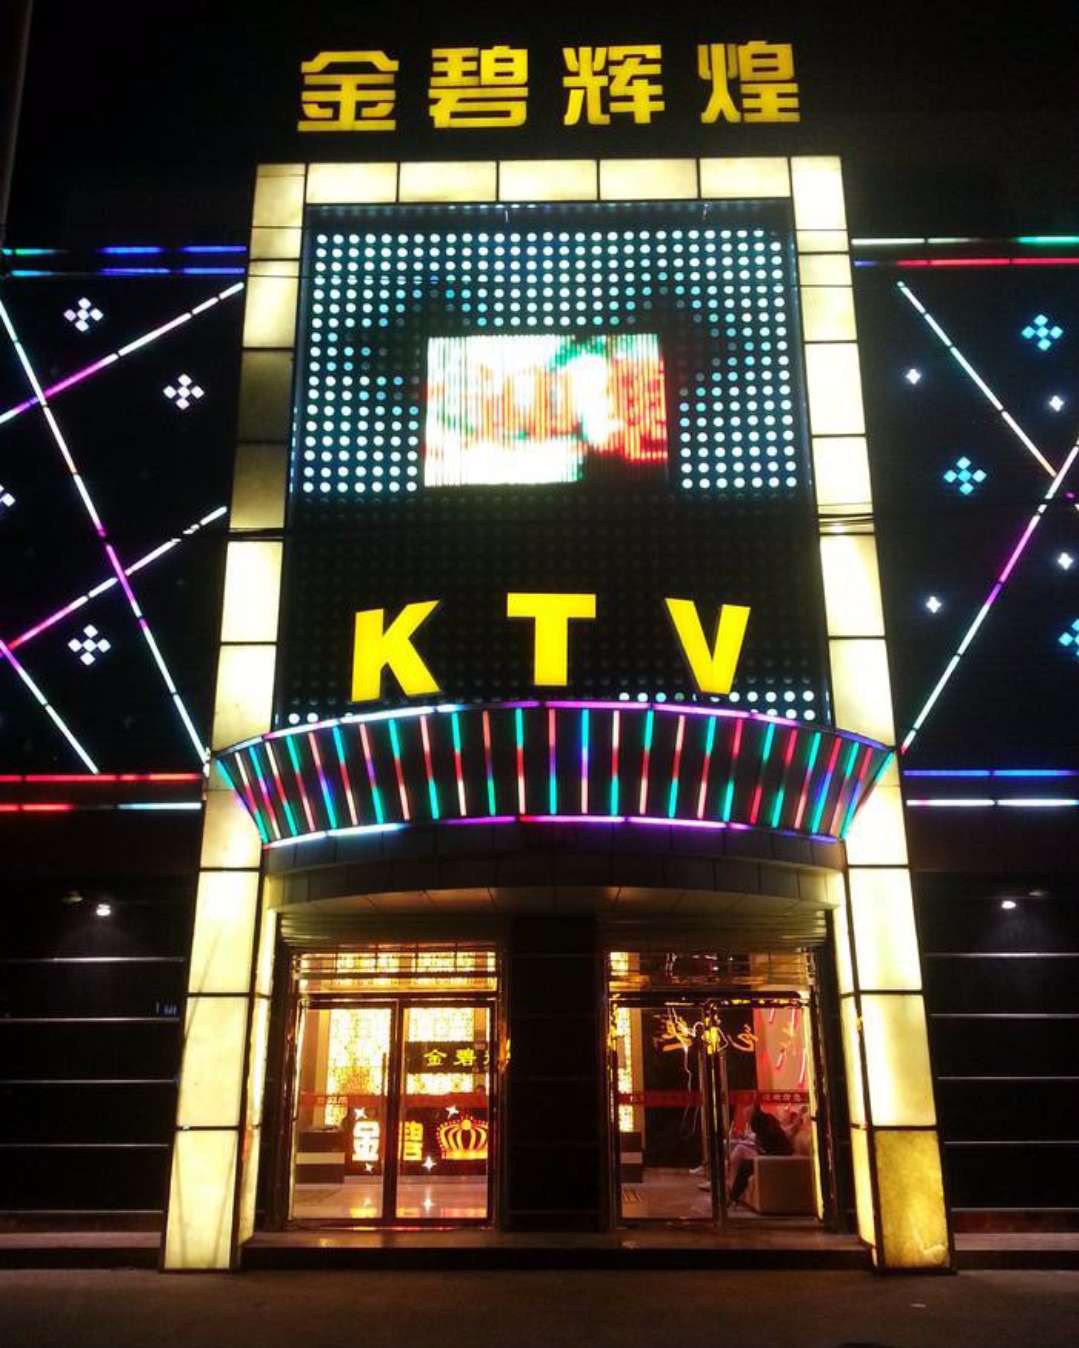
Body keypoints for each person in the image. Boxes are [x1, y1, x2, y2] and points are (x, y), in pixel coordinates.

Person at [729, 1104, 793, 1206]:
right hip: (770, 1157)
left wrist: (760, 1155)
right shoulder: (768, 1125)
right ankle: (733, 1195)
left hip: (773, 1160)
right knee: (743, 1159)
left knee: (745, 1165)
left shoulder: (766, 1131)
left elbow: (769, 1150)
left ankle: (733, 1197)